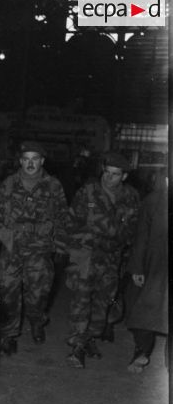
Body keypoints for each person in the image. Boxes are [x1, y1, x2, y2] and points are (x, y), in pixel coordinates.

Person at [0, 141, 70, 355]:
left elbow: (62, 218)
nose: (30, 163)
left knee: (38, 294)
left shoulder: (53, 185)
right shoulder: (8, 184)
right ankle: (9, 334)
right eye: (26, 159)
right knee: (7, 292)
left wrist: (61, 248)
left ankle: (37, 321)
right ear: (21, 161)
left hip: (40, 250)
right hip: (11, 248)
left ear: (42, 161)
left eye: (35, 159)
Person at [65, 152, 140, 368]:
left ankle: (90, 338)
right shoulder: (87, 192)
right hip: (85, 256)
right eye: (106, 172)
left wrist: (110, 233)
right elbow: (70, 223)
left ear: (124, 176)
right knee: (81, 301)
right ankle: (76, 346)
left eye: (115, 174)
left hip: (111, 259)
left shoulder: (131, 197)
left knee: (102, 304)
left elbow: (132, 231)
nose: (108, 178)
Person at [124, 167, 168, 373]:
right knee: (142, 309)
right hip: (154, 265)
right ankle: (141, 351)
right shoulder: (153, 201)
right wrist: (137, 268)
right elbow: (141, 237)